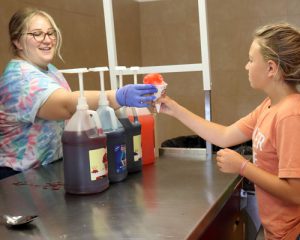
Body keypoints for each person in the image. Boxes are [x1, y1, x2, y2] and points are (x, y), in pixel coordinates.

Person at [158, 23, 300, 240]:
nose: (246, 66)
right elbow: (224, 136)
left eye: (251, 60)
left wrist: (243, 166)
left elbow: (295, 193)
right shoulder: (268, 106)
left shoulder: (291, 115)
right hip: (277, 232)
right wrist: (173, 108)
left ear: (271, 68)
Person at [0, 7, 157, 180]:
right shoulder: (20, 78)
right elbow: (67, 105)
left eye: (50, 33)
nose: (47, 40)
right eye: (37, 34)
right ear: (17, 42)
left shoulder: (48, 70)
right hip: (18, 177)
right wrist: (116, 96)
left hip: (48, 170)